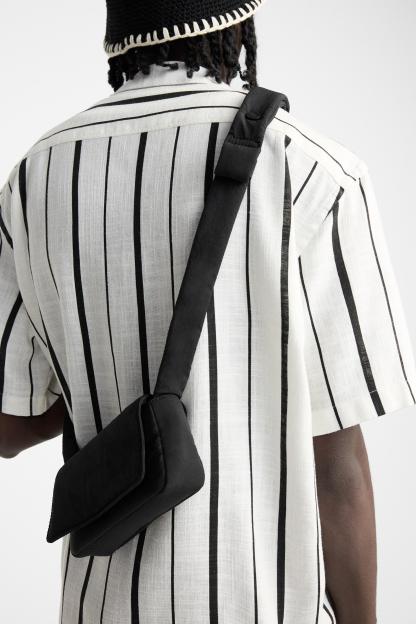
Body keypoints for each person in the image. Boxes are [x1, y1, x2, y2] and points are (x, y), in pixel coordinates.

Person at [0, 1, 414, 622]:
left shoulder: (34, 179)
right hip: (266, 604)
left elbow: (8, 427)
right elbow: (338, 464)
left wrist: (101, 377)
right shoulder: (314, 173)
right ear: (239, 26)